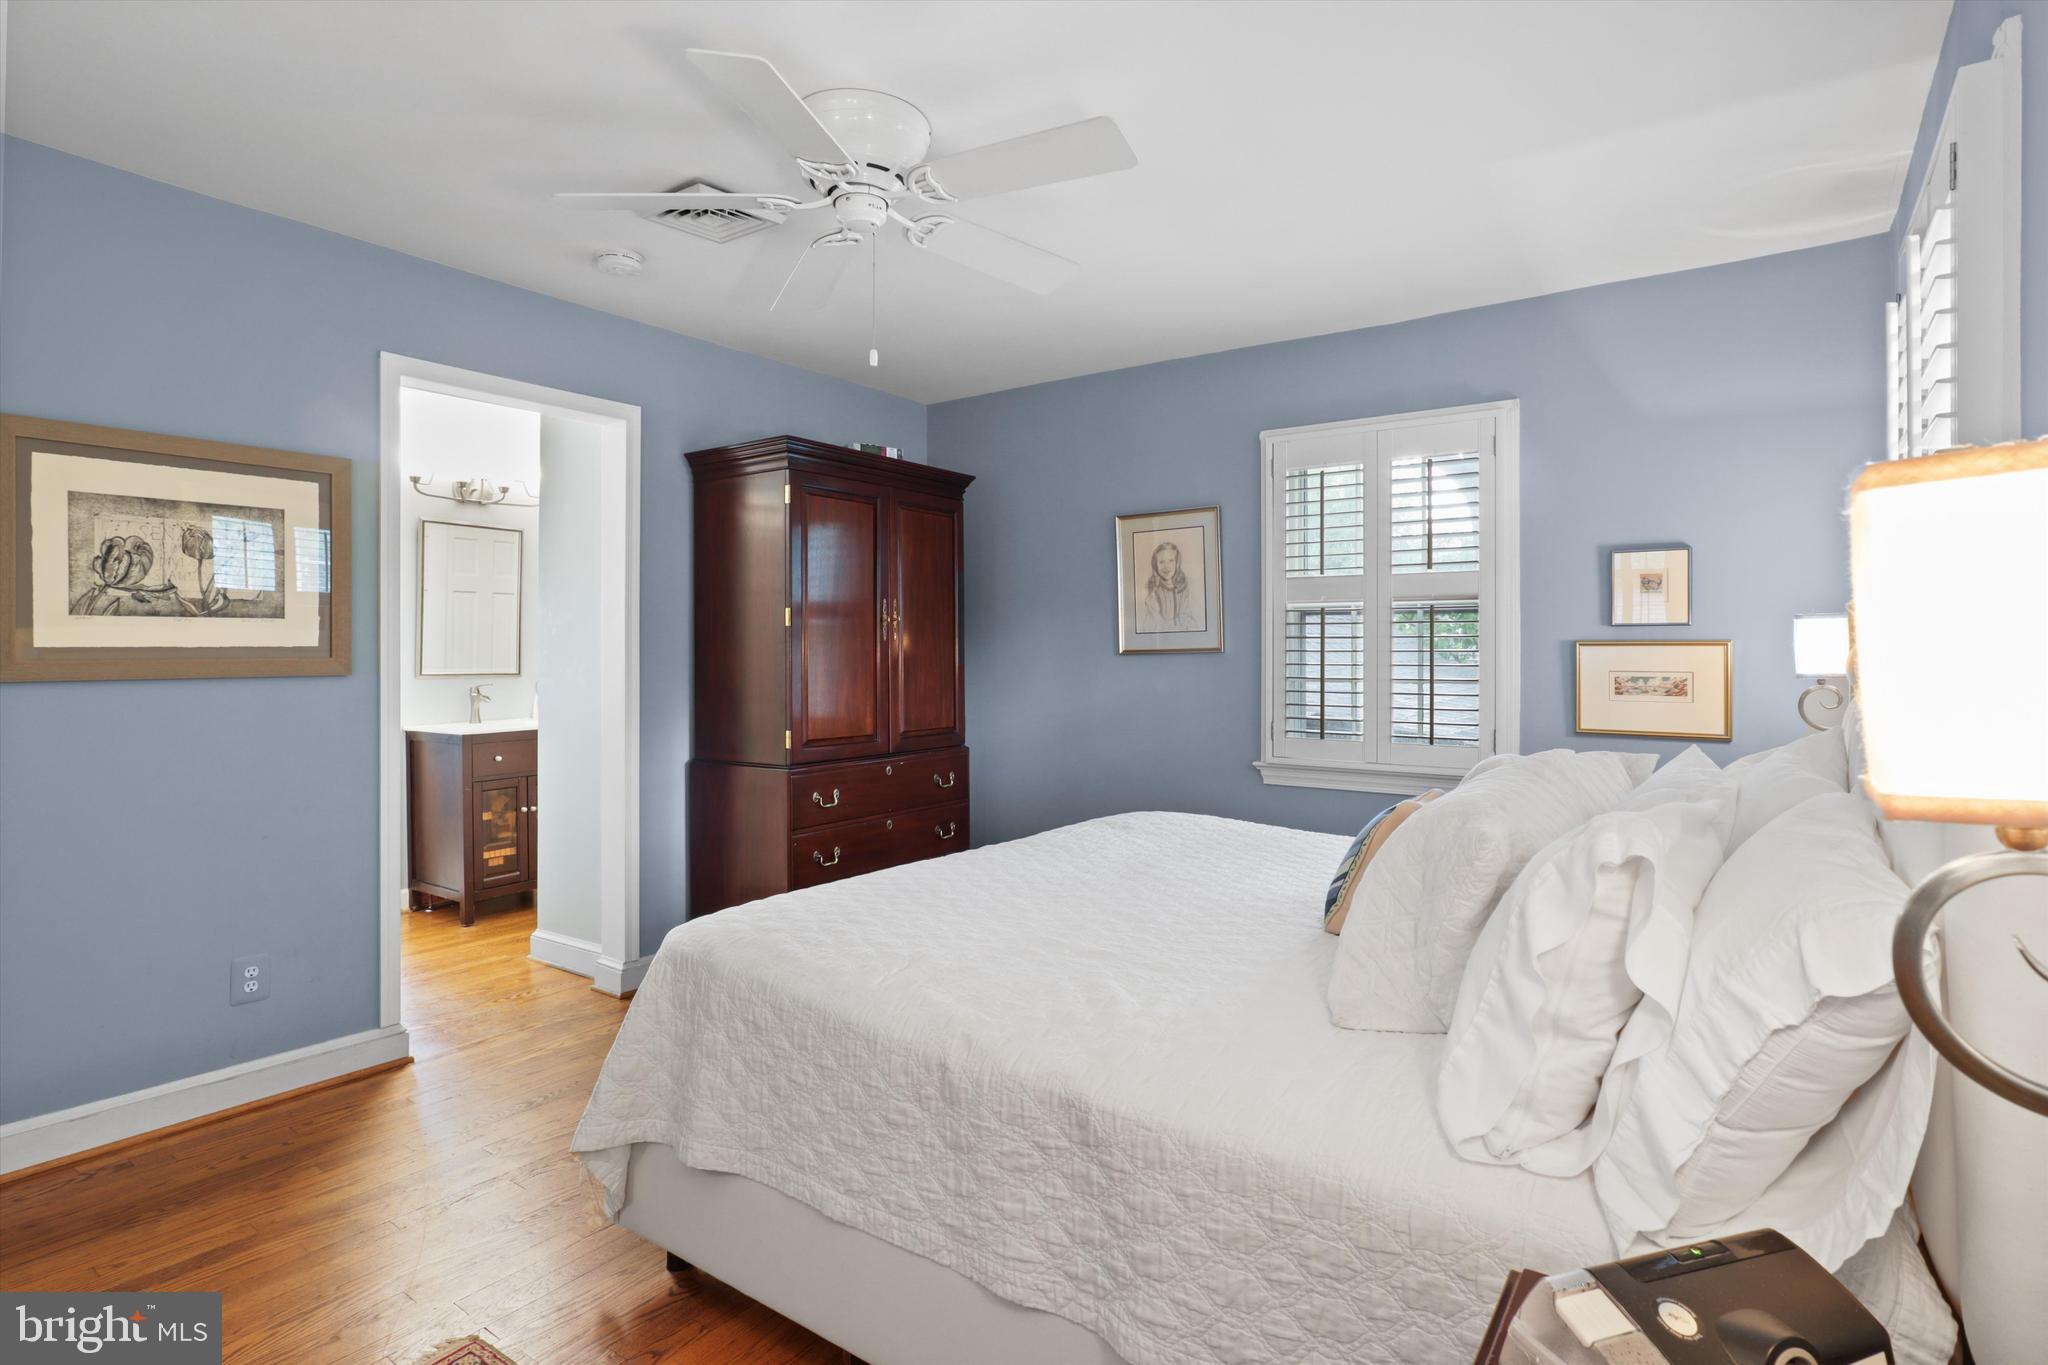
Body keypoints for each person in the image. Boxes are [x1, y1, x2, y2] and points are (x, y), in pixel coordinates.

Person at [1138, 539, 1201, 633]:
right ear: (1156, 565)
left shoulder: (1183, 588)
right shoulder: (1154, 592)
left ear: (1177, 563)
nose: (1166, 566)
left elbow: (1185, 615)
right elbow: (1156, 624)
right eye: (1161, 562)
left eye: (1171, 561)